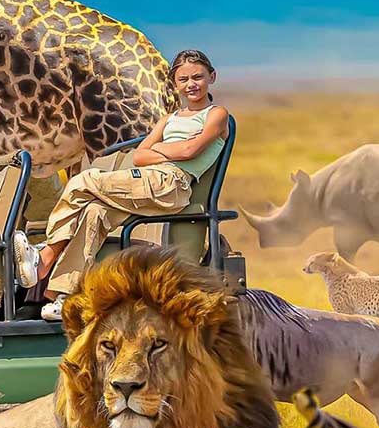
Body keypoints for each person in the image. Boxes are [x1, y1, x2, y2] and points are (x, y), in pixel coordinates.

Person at [30, 49, 230, 319]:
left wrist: (162, 150)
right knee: (93, 213)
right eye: (183, 79)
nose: (191, 84)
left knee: (83, 181)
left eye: (198, 77)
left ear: (212, 77)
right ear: (175, 84)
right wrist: (170, 149)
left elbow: (190, 152)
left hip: (171, 185)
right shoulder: (168, 120)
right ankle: (64, 295)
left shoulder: (216, 114)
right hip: (149, 183)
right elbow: (139, 156)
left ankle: (47, 255)